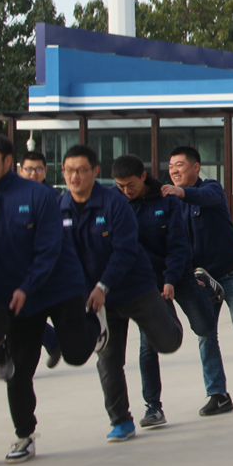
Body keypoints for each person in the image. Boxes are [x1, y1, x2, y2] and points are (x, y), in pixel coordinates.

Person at [0, 134, 105, 463]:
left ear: (7, 161)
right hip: (16, 297)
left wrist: (27, 286)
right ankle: (24, 435)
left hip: (57, 287)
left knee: (76, 354)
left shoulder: (38, 195)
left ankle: (96, 324)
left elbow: (49, 249)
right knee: (19, 370)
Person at [60, 144, 184, 442]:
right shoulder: (60, 207)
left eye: (82, 170)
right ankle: (121, 421)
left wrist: (103, 285)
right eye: (70, 171)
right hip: (100, 300)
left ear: (94, 172)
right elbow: (63, 255)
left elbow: (125, 250)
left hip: (136, 288)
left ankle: (167, 313)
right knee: (108, 360)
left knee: (168, 343)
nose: (75, 177)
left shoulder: (114, 204)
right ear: (63, 172)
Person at [161, 145, 233, 417]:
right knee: (205, 333)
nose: (174, 171)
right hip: (204, 280)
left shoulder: (211, 189)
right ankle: (218, 394)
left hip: (232, 271)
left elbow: (204, 197)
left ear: (195, 167)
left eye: (179, 165)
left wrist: (181, 192)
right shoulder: (173, 205)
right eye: (171, 167)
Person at [111, 154, 218, 428]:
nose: (126, 191)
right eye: (121, 186)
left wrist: (170, 279)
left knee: (204, 327)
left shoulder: (166, 199)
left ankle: (208, 290)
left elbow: (178, 246)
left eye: (131, 185)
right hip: (146, 285)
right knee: (148, 345)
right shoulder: (114, 202)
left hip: (178, 275)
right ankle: (153, 407)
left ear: (143, 176)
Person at [17, 151, 64, 369]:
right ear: (20, 170)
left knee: (27, 313)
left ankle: (48, 345)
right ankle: (52, 342)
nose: (33, 173)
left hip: (45, 265)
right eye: (28, 169)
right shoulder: (12, 194)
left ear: (45, 170)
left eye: (38, 169)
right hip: (17, 264)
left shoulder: (53, 197)